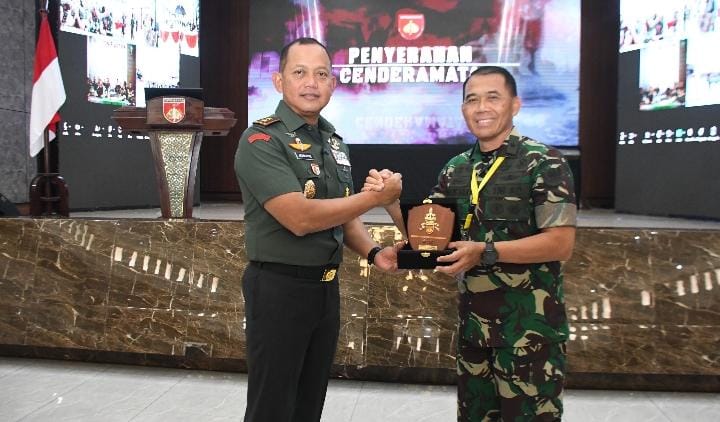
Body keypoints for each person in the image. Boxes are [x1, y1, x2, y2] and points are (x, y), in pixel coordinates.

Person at [365, 66, 576, 421]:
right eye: (472, 99)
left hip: (530, 335)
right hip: (474, 333)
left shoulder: (545, 162)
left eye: (493, 97)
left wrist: (485, 252)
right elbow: (428, 236)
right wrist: (389, 201)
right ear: (463, 108)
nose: (481, 107)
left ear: (515, 104)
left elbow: (560, 243)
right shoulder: (456, 169)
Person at [234, 37, 403, 422]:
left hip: (325, 289)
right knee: (272, 408)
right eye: (300, 72)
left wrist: (374, 252)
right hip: (279, 289)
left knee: (308, 404)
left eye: (321, 74)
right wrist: (375, 198)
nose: (311, 82)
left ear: (333, 83)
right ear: (279, 81)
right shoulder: (261, 140)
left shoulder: (334, 142)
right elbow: (301, 218)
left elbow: (341, 214)